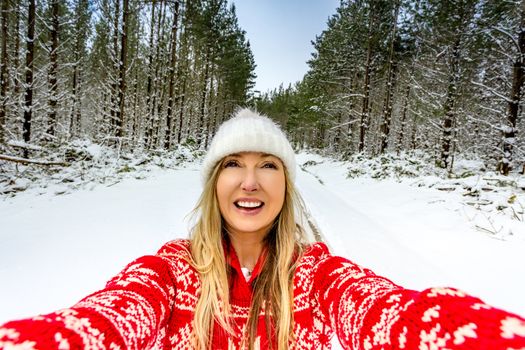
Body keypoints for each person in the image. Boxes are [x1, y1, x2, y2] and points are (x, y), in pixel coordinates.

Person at [1, 108, 524, 350]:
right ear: (213, 183)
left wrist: (461, 334)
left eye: (269, 165)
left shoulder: (315, 271)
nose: (250, 182)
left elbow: (381, 308)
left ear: (287, 185)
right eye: (234, 163)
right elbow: (109, 316)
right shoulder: (172, 269)